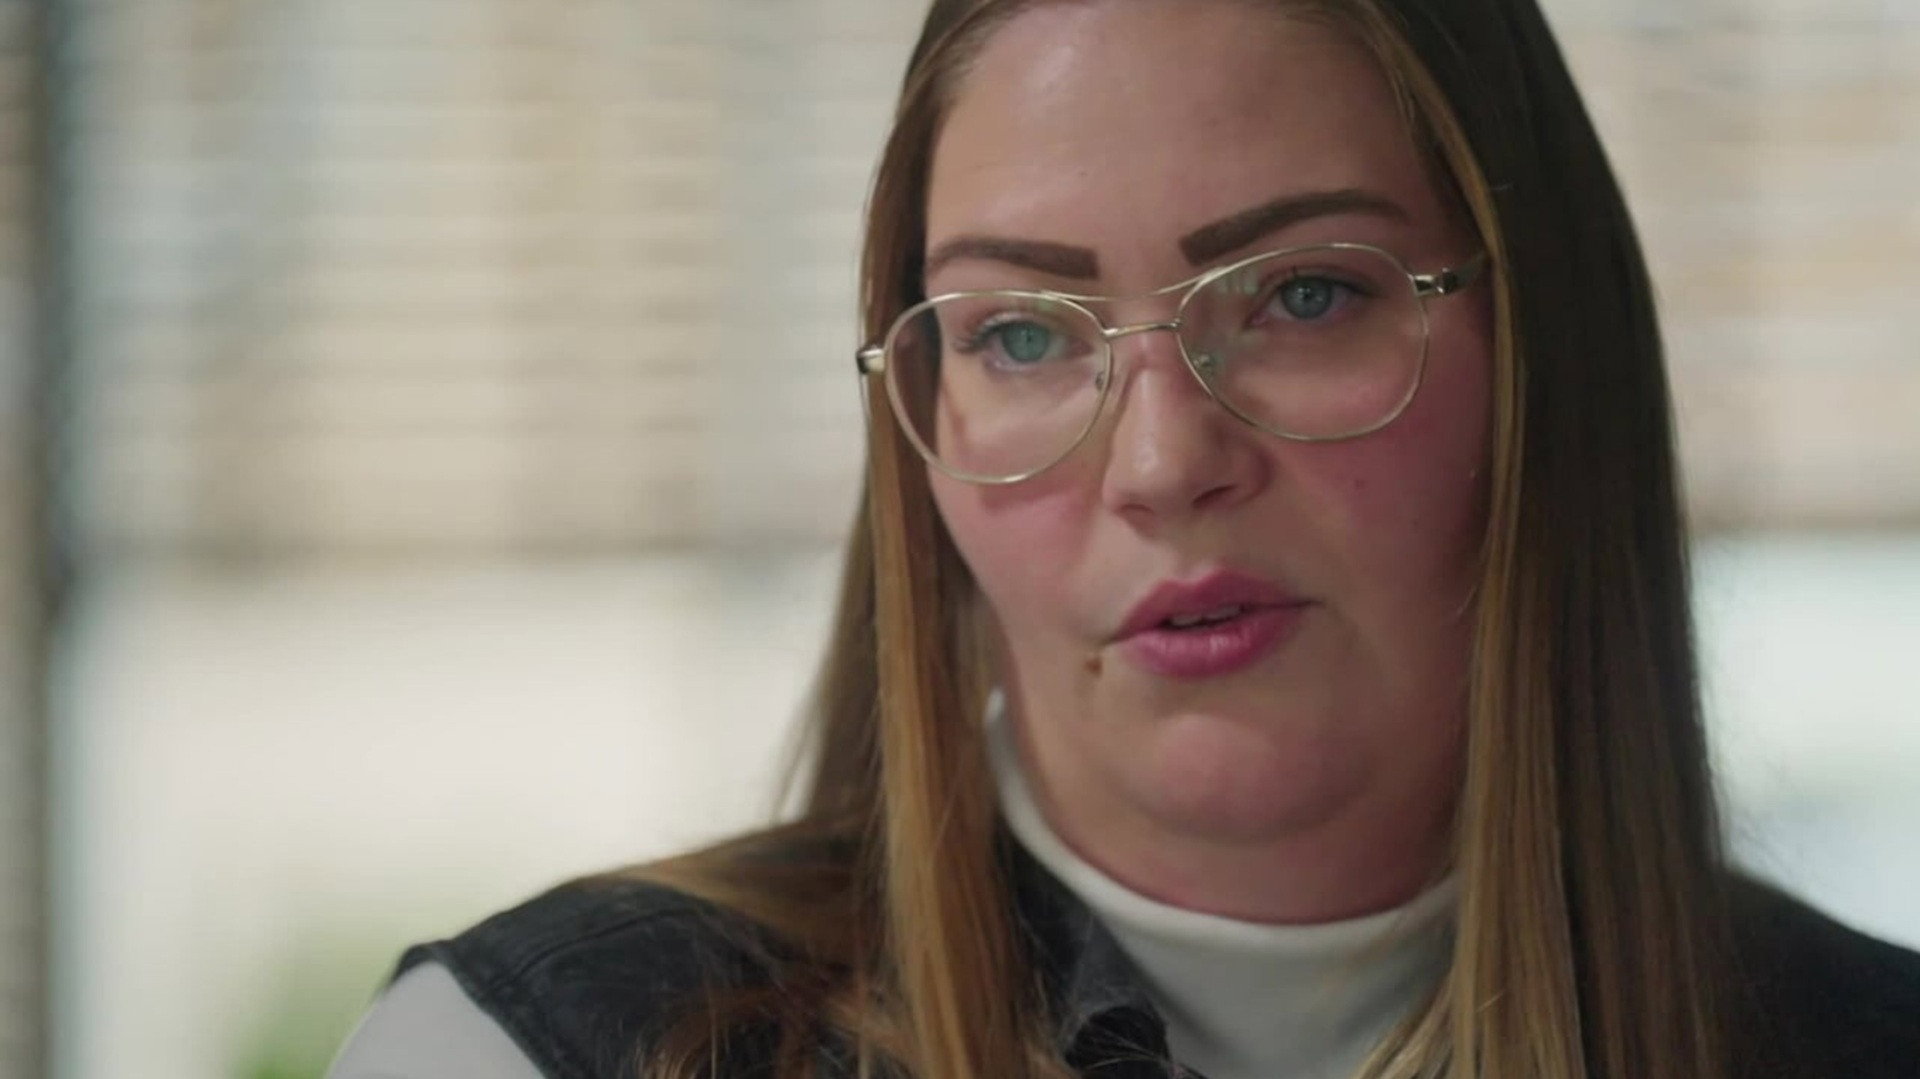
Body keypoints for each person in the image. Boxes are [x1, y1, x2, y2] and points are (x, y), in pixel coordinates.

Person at [326, 0, 1920, 1077]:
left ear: (1542, 358)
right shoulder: (536, 1050)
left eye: (1306, 295)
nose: (1164, 464)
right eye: (1023, 334)